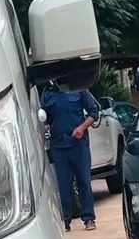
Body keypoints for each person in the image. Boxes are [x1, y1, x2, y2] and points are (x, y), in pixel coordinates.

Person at [40, 83, 101, 230]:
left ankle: (89, 219)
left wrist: (82, 127)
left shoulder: (78, 88)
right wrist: (46, 127)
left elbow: (94, 113)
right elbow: (42, 118)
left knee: (84, 181)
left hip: (78, 144)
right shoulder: (47, 93)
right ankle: (65, 222)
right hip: (58, 146)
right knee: (62, 185)